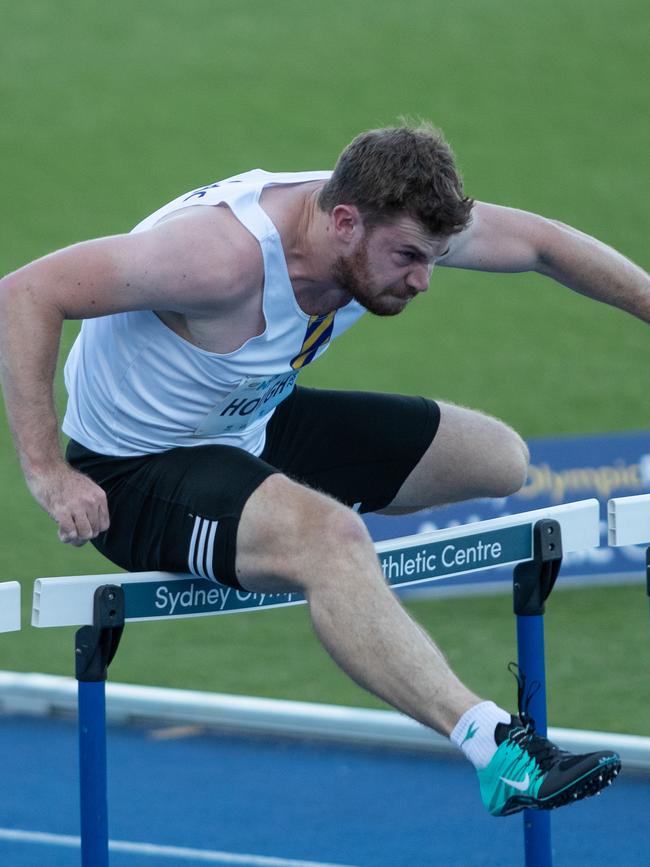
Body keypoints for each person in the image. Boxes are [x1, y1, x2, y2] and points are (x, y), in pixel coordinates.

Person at [1, 123, 647, 817]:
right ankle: (497, 750)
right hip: (135, 471)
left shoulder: (387, 215)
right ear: (344, 222)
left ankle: (293, 537)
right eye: (408, 258)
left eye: (433, 257)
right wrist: (48, 469)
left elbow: (543, 243)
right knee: (331, 541)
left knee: (502, 459)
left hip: (251, 419)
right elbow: (25, 292)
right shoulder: (217, 258)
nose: (424, 279)